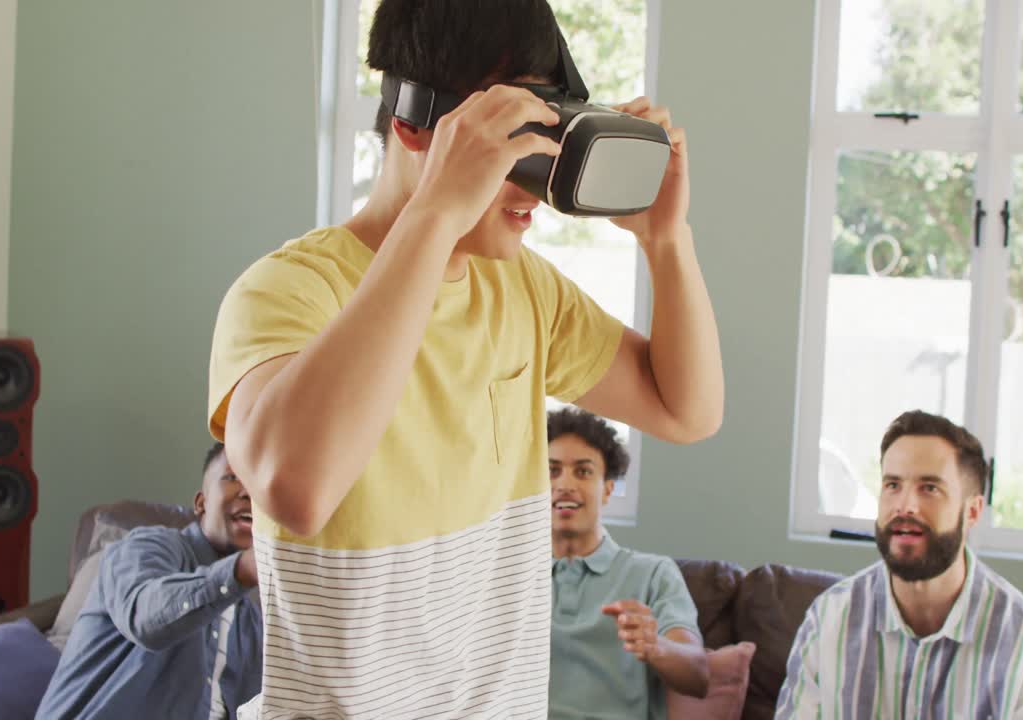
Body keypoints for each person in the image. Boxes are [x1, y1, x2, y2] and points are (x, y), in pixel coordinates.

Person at [206, 0, 724, 715]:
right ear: (414, 125)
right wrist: (437, 212)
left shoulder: (520, 287)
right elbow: (295, 486)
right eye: (511, 139)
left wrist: (667, 242)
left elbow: (686, 410)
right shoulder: (288, 291)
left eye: (545, 137)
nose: (537, 180)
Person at [775, 411, 1023, 719]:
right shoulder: (828, 620)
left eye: (929, 488)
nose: (905, 505)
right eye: (893, 485)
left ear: (972, 512)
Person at [35, 443, 262, 720]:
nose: (248, 492)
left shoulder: (250, 621)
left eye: (258, 482)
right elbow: (146, 617)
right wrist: (242, 570)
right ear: (201, 503)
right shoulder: (146, 548)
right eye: (233, 477)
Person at [546, 408, 708, 719]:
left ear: (607, 489)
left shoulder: (653, 574)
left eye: (583, 471)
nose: (564, 483)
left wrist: (656, 645)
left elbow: (698, 675)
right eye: (552, 470)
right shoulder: (507, 573)